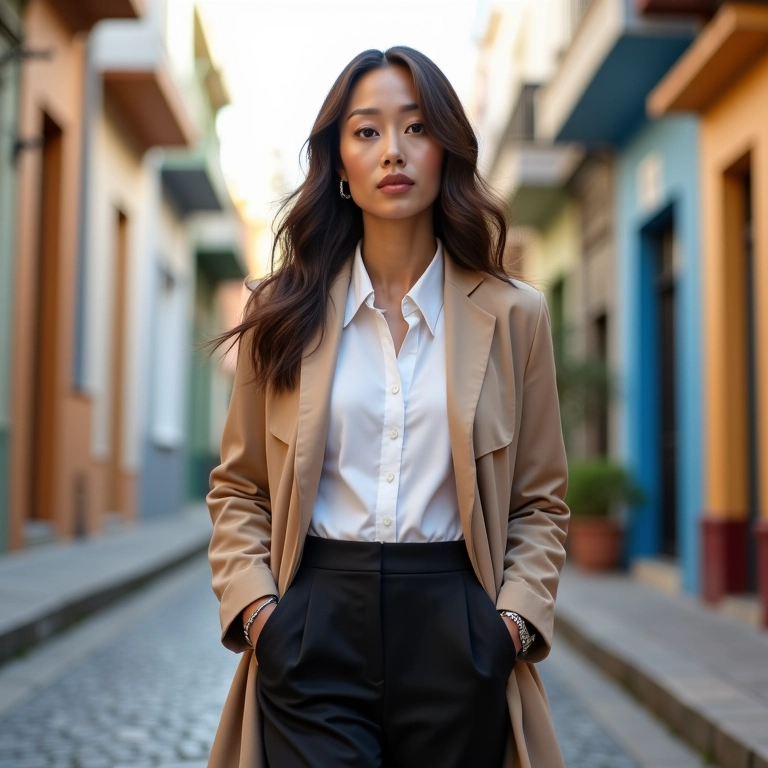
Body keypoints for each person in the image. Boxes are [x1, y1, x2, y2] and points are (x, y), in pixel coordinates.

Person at [205, 46, 570, 768]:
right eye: (367, 131)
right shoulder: (281, 312)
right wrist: (261, 616)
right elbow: (240, 488)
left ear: (446, 150)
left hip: (457, 626)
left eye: (416, 128)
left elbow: (540, 501)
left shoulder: (515, 315)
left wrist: (509, 627)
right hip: (313, 625)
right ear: (339, 162)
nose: (393, 151)